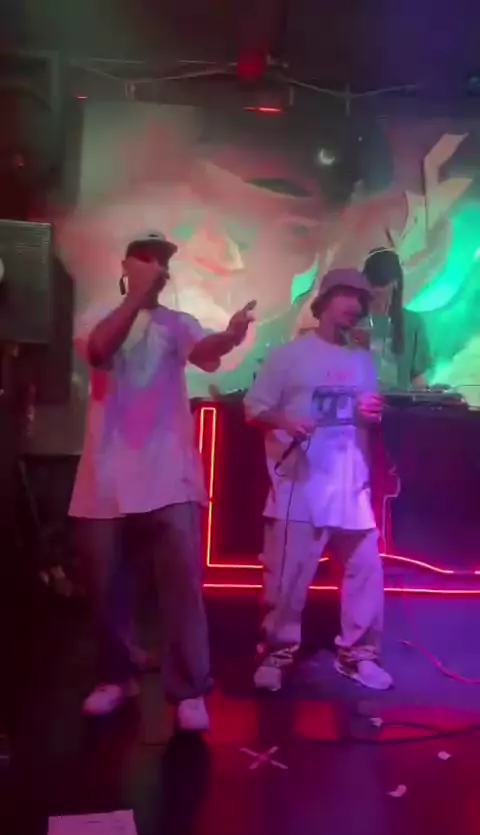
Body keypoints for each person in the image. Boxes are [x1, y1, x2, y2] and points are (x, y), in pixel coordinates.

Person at [70, 231, 255, 731]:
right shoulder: (98, 313)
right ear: (127, 265)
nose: (158, 269)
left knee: (181, 586)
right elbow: (99, 351)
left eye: (163, 262)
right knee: (105, 584)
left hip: (170, 473)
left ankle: (189, 689)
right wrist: (134, 296)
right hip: (105, 474)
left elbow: (205, 350)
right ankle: (116, 676)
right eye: (147, 259)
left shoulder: (178, 322)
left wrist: (231, 335)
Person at [244, 268, 393, 693]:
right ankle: (275, 654)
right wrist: (286, 421)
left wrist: (371, 416)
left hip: (351, 487)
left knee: (365, 573)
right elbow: (254, 408)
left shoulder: (361, 360)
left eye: (360, 299)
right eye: (346, 296)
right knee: (286, 583)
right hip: (300, 487)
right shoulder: (290, 356)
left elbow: (366, 417)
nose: (354, 306)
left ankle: (359, 655)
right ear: (324, 301)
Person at [360, 248, 430, 390]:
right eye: (372, 285)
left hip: (400, 403)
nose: (376, 291)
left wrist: (428, 394)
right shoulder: (352, 321)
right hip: (358, 401)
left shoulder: (413, 323)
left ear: (396, 283)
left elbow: (417, 378)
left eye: (382, 284)